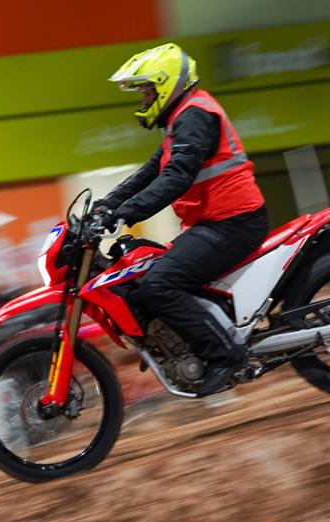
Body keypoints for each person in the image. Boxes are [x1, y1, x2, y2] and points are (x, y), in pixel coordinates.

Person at [94, 43, 269, 397]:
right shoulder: (180, 118)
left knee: (159, 284)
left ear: (165, 83)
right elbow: (150, 171)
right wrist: (106, 205)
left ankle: (225, 356)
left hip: (233, 221)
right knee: (143, 272)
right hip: (214, 223)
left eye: (146, 88)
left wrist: (125, 214)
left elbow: (176, 177)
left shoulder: (195, 113)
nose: (142, 97)